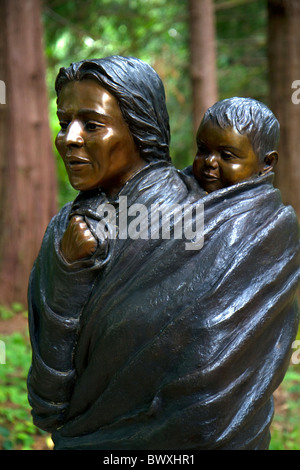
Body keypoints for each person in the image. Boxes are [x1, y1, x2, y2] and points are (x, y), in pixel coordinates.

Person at [28, 58, 300, 450]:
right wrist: (68, 277)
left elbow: (216, 371)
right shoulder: (65, 230)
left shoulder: (226, 224)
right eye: (63, 121)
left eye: (91, 124)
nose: (68, 137)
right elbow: (49, 403)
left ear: (140, 127)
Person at [191, 97, 279, 193]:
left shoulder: (266, 208)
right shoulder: (180, 189)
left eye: (226, 155)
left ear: (267, 162)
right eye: (202, 149)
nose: (209, 161)